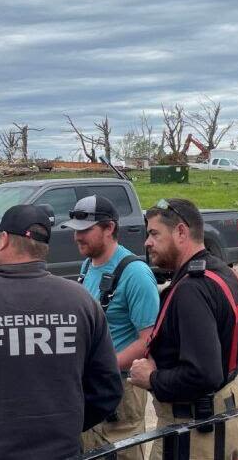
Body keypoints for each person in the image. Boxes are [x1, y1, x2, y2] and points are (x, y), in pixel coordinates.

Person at [0, 204, 123, 460]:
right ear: (44, 249)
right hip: (60, 452)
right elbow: (107, 387)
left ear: (3, 240)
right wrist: (66, 426)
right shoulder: (81, 303)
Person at [129, 198, 238, 460]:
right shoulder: (224, 273)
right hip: (231, 415)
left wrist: (152, 378)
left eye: (154, 234)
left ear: (181, 232)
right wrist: (226, 372)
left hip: (195, 433)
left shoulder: (191, 289)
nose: (147, 242)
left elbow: (203, 375)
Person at [63, 195, 160, 459]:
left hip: (121, 391)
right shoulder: (88, 265)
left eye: (85, 231)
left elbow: (148, 339)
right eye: (75, 231)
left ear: (109, 228)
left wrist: (106, 365)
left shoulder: (135, 273)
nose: (77, 237)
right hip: (91, 385)